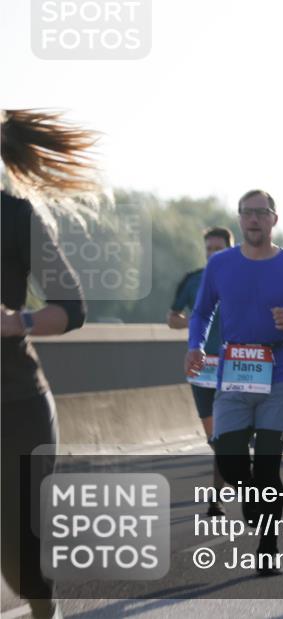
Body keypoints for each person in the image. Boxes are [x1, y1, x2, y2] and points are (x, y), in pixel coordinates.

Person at [185, 189, 283, 576]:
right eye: (246, 213)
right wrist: (194, 345)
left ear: (273, 220)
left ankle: (267, 548)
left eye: (260, 213)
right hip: (234, 372)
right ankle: (251, 498)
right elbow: (200, 312)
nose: (253, 219)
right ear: (239, 219)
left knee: (266, 469)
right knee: (230, 459)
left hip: (279, 375)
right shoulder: (221, 266)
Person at [2, 109, 100, 619]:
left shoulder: (16, 218)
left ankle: (43, 607)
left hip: (15, 405)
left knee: (21, 560)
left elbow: (72, 308)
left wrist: (16, 322)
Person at [168, 226, 234, 514]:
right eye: (208, 249)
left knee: (226, 433)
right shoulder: (194, 281)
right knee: (214, 437)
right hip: (202, 366)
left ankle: (215, 499)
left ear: (230, 250)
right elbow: (172, 318)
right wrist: (193, 322)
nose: (212, 254)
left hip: (237, 364)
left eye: (218, 249)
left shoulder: (244, 279)